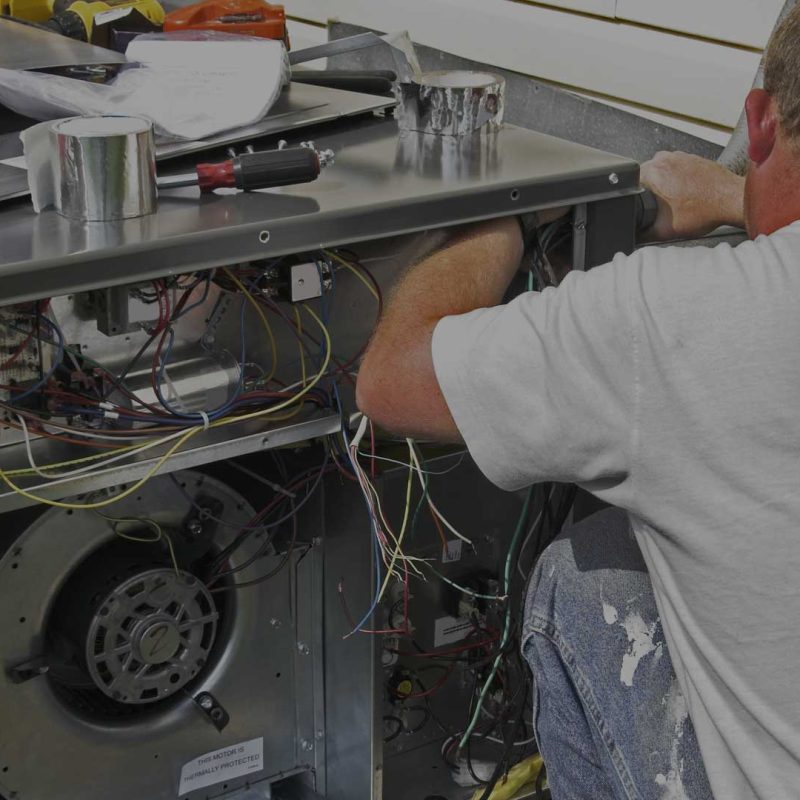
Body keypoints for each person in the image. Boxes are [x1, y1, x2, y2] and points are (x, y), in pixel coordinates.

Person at [355, 8, 800, 800]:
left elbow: (391, 381)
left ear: (759, 121)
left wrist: (509, 217)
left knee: (580, 582)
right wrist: (741, 195)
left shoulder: (680, 318)